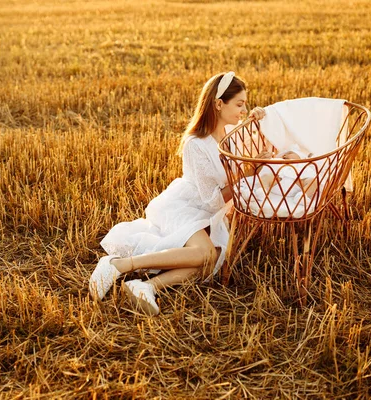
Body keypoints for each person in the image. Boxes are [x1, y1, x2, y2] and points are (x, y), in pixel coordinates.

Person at [89, 71, 266, 315]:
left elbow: (256, 155)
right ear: (218, 104)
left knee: (209, 263)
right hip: (184, 206)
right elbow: (212, 199)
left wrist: (258, 123)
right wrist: (245, 173)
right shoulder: (196, 143)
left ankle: (145, 287)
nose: (243, 110)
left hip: (205, 215)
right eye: (239, 104)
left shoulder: (230, 135)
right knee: (206, 254)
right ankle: (120, 265)